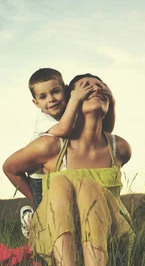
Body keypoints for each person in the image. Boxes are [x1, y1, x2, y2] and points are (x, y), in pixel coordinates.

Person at [3, 74, 132, 266]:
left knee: (87, 185)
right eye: (86, 87)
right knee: (62, 180)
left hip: (111, 235)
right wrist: (40, 204)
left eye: (101, 88)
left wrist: (110, 100)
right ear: (72, 100)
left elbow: (105, 128)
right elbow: (10, 167)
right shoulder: (50, 145)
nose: (95, 90)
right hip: (57, 235)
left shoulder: (120, 147)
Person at [19, 68, 117, 237]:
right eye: (43, 97)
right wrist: (76, 98)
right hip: (38, 176)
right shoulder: (44, 119)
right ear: (36, 103)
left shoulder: (68, 111)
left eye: (56, 92)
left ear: (64, 91)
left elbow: (104, 130)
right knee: (46, 214)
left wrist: (111, 102)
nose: (51, 100)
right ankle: (31, 219)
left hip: (56, 174)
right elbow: (64, 129)